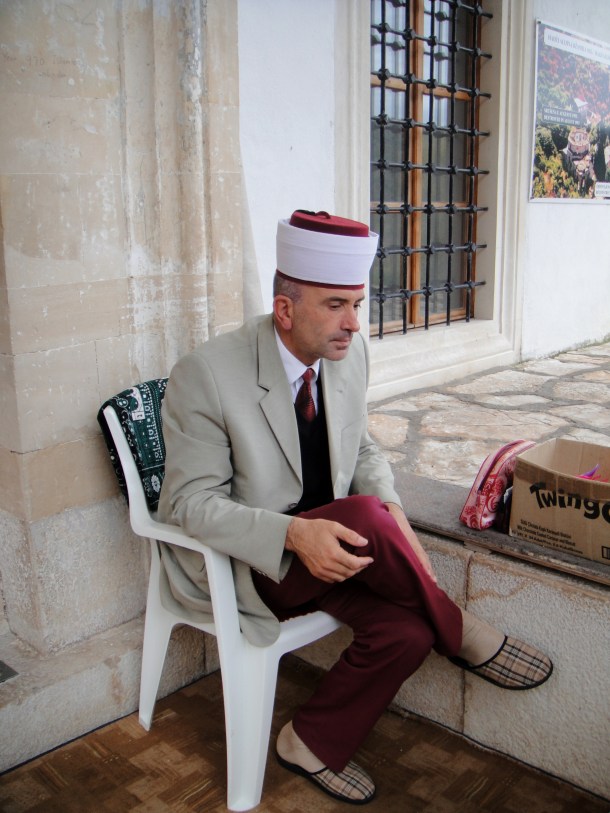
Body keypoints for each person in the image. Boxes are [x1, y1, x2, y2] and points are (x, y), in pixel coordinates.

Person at [157, 209, 553, 805]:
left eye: (358, 305)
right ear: (285, 310)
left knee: (407, 630)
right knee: (366, 518)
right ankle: (464, 631)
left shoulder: (346, 356)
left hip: (336, 552)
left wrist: (394, 515)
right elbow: (187, 504)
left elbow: (361, 446)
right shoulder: (207, 374)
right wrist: (295, 535)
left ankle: (308, 742)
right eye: (336, 305)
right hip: (260, 565)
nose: (353, 324)